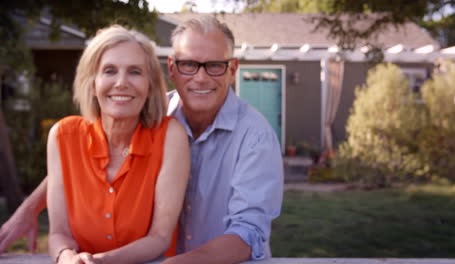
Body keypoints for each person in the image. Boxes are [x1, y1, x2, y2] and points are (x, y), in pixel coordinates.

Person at [0, 16, 283, 264]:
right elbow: (80, 164)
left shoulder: (254, 137)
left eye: (214, 66)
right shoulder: (154, 113)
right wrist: (32, 206)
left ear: (233, 70)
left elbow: (248, 233)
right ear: (171, 69)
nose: (200, 77)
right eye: (188, 65)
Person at [47, 25, 190, 263]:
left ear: (150, 85)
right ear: (92, 83)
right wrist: (66, 258)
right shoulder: (62, 137)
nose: (121, 83)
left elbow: (160, 236)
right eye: (110, 71)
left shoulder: (170, 136)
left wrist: (101, 261)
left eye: (135, 72)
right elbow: (58, 233)